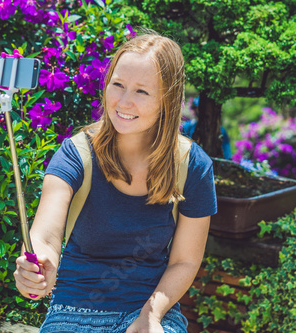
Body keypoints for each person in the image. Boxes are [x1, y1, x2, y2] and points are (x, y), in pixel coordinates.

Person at [14, 31, 217, 333]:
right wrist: (39, 265)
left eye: (141, 92)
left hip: (149, 307)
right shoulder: (75, 155)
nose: (123, 102)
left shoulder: (193, 166)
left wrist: (151, 316)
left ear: (167, 100)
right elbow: (46, 234)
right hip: (72, 311)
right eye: (118, 85)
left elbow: (185, 261)